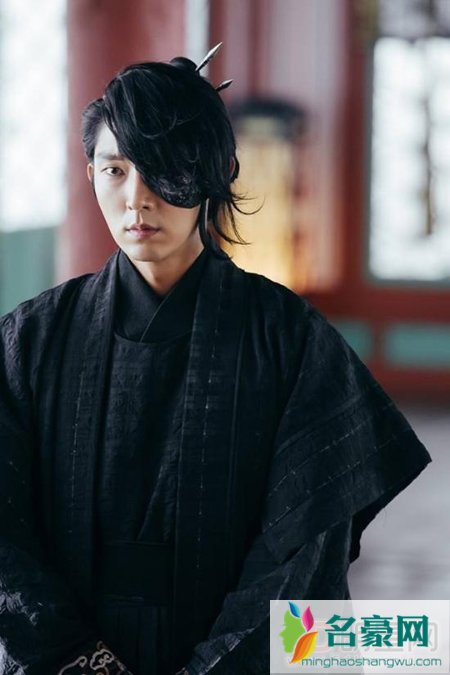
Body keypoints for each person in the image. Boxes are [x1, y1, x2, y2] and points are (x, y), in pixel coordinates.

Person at [0, 46, 431, 675]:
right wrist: (77, 659)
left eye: (162, 168)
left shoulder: (291, 341)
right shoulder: (32, 338)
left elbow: (305, 549)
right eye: (115, 169)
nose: (136, 198)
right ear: (90, 173)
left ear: (217, 170)